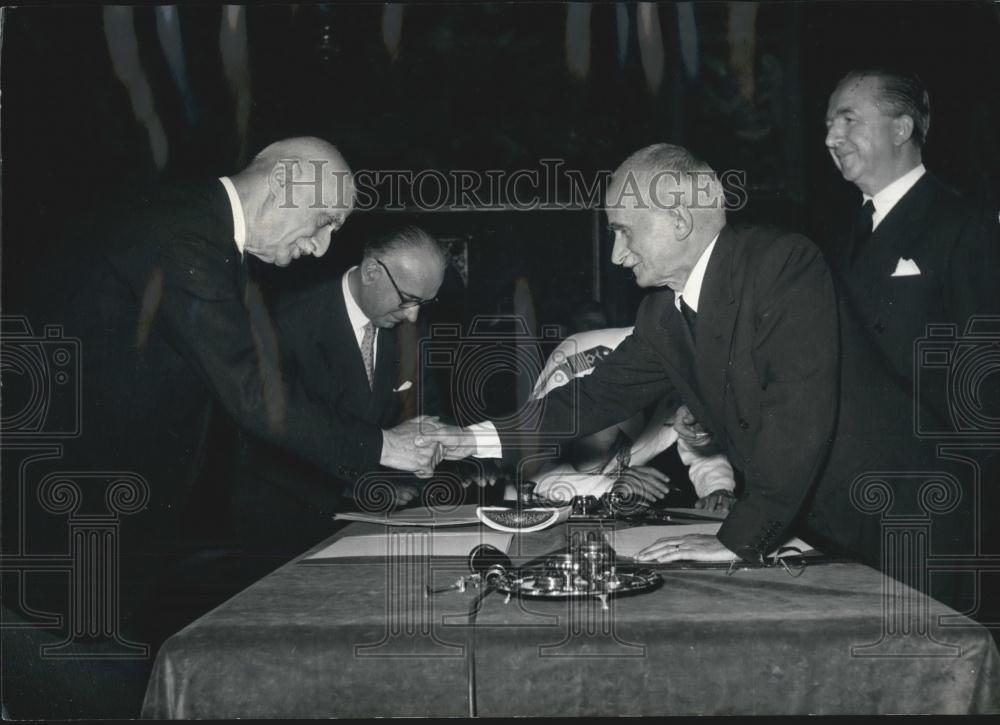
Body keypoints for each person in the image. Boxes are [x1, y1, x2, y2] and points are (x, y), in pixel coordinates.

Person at [1, 138, 443, 718]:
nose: (322, 247)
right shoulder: (185, 235)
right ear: (286, 183)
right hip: (68, 536)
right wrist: (385, 445)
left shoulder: (200, 232)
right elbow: (254, 394)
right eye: (324, 221)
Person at [431, 143, 960, 587]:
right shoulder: (662, 312)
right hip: (823, 526)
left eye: (623, 231)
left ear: (679, 219)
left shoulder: (781, 264)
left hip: (908, 519)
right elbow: (589, 399)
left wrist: (734, 541)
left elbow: (798, 414)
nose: (616, 255)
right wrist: (465, 441)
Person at [235, 226, 449, 555]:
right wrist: (355, 485)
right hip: (289, 525)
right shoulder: (286, 318)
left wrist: (423, 454)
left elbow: (422, 409)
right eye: (408, 300)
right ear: (372, 271)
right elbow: (271, 435)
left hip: (374, 522)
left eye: (425, 302)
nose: (414, 314)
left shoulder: (411, 329)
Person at [823, 68, 1000, 428]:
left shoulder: (966, 226)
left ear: (901, 130)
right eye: (829, 124)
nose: (831, 138)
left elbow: (986, 380)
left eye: (848, 120)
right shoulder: (838, 238)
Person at [526, 325, 736, 512]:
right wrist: (609, 487)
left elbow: (700, 448)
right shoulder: (576, 360)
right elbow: (529, 469)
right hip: (535, 510)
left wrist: (718, 489)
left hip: (612, 508)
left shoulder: (691, 366)